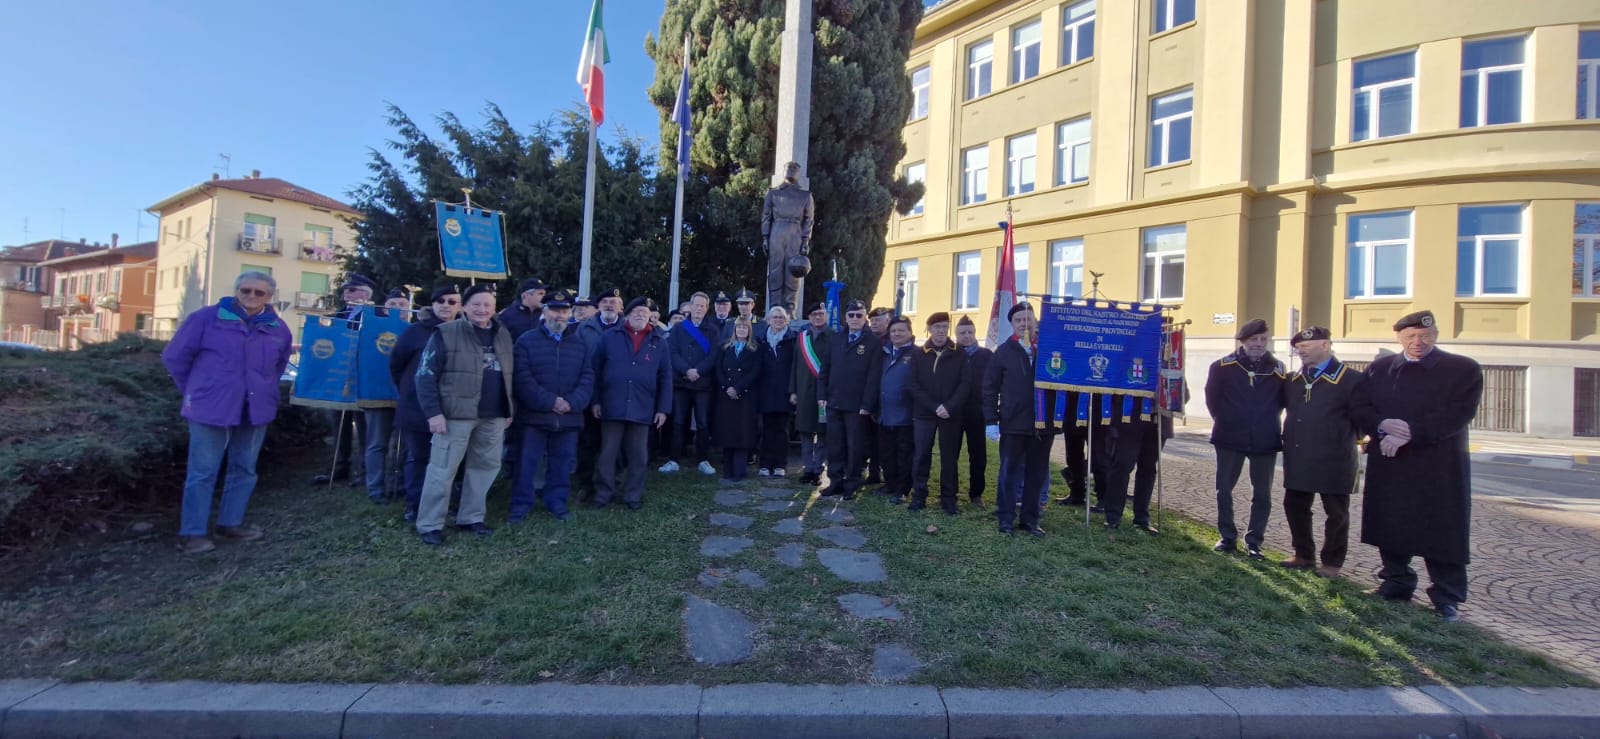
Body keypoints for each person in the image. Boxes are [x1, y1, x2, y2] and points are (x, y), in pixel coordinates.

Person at [1360, 310, 1481, 622]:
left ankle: (1446, 597)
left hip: (1437, 466)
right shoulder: (1380, 369)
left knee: (1441, 530)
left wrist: (1411, 434)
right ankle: (1396, 582)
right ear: (1399, 337)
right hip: (1391, 463)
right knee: (1391, 524)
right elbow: (1360, 407)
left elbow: (1459, 413)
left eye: (1425, 336)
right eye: (1411, 336)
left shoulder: (1462, 369)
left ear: (1436, 336)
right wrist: (1381, 425)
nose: (1418, 342)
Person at [161, 271, 293, 554]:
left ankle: (230, 524)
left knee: (244, 469)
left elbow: (278, 367)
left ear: (270, 296)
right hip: (210, 408)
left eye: (260, 293)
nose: (252, 297)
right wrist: (197, 390)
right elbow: (175, 358)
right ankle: (193, 533)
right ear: (236, 291)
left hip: (255, 408)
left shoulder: (278, 328)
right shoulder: (205, 319)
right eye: (246, 290)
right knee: (202, 472)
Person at [413, 283, 514, 546]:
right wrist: (433, 413)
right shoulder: (445, 333)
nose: (482, 310)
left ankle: (471, 518)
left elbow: (509, 374)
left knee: (484, 468)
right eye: (476, 304)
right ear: (465, 307)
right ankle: (430, 524)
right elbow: (425, 375)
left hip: (493, 415)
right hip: (455, 416)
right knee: (442, 470)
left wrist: (509, 408)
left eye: (487, 305)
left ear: (494, 308)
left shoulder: (503, 334)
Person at [1279, 326, 1371, 578]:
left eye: (1306, 347)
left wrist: (1348, 438)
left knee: (1336, 513)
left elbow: (1362, 418)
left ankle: (1332, 562)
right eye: (1298, 348)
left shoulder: (1351, 379)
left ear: (1325, 345)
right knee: (1295, 505)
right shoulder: (1293, 380)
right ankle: (1303, 554)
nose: (1301, 351)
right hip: (1299, 454)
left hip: (1335, 457)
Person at [1204, 318, 1286, 559]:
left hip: (1265, 439)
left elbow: (1281, 401)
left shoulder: (1278, 369)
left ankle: (1254, 541)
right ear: (1242, 341)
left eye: (1263, 339)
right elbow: (1212, 399)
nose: (1259, 344)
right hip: (1229, 436)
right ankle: (1228, 537)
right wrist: (1228, 419)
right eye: (1254, 340)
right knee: (1224, 490)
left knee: (1262, 494)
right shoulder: (1222, 366)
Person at [510, 289, 593, 522]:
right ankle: (520, 506)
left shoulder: (579, 343)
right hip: (535, 417)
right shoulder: (526, 341)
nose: (560, 315)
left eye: (564, 310)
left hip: (568, 416)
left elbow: (587, 378)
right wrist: (551, 402)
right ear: (544, 312)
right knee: (527, 464)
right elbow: (523, 379)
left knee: (562, 464)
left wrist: (571, 403)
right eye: (555, 310)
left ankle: (556, 502)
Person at [592, 297, 672, 509]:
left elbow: (665, 377)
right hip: (612, 404)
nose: (640, 315)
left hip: (642, 406)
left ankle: (633, 496)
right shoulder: (609, 337)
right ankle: (604, 494)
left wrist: (663, 408)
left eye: (645, 312)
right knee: (608, 453)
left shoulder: (659, 342)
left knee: (638, 455)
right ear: (626, 314)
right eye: (636, 311)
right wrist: (596, 400)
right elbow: (596, 371)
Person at [390, 284, 459, 521]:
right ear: (433, 304)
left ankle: (442, 503)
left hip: (451, 408)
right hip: (417, 407)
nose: (446, 306)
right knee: (418, 457)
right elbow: (397, 365)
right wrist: (410, 391)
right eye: (442, 301)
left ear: (459, 306)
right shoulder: (415, 332)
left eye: (452, 302)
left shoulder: (464, 332)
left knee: (445, 461)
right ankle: (414, 504)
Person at [982, 302, 1049, 537]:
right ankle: (1006, 519)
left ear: (1035, 321)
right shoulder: (1003, 352)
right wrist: (991, 421)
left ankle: (1030, 521)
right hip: (1013, 423)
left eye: (1028, 319)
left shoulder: (1048, 349)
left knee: (1036, 474)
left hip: (1042, 424)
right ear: (1012, 324)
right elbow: (989, 388)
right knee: (1009, 473)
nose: (1024, 323)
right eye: (1019, 320)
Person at [314, 272, 378, 486]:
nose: (346, 294)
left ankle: (365, 471)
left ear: (365, 294)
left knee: (363, 428)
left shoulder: (374, 315)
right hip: (339, 377)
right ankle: (338, 467)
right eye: (345, 290)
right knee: (338, 424)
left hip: (362, 378)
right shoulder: (339, 314)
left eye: (351, 290)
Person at [817, 300, 882, 499]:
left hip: (857, 406)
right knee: (835, 445)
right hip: (834, 402)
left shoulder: (873, 342)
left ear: (865, 318)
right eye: (851, 315)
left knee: (855, 446)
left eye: (859, 315)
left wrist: (867, 404)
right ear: (845, 317)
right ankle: (835, 481)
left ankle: (852, 482)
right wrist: (822, 395)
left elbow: (874, 377)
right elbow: (824, 369)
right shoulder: (836, 339)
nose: (854, 319)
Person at [357, 287, 414, 505]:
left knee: (405, 443)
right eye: (393, 305)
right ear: (384, 308)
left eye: (402, 305)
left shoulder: (413, 329)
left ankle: (398, 483)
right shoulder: (371, 329)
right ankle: (376, 487)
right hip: (377, 392)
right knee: (377, 443)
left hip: (405, 395)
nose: (397, 309)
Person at [907, 312, 967, 515]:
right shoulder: (918, 353)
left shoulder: (959, 352)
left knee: (949, 457)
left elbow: (965, 384)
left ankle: (949, 499)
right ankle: (919, 496)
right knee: (922, 455)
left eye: (944, 326)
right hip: (925, 412)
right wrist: (933, 406)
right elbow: (913, 385)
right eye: (937, 327)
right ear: (929, 329)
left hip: (950, 414)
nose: (941, 331)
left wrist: (949, 406)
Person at [572, 287, 624, 500]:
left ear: (621, 307)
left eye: (613, 301)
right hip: (589, 391)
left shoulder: (628, 328)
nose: (609, 305)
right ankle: (586, 484)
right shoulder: (585, 328)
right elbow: (576, 358)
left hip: (618, 394)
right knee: (588, 442)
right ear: (598, 307)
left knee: (616, 443)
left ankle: (614, 481)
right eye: (605, 302)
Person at [665, 291, 718, 475]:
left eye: (703, 306)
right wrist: (687, 370)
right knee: (678, 422)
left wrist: (698, 371)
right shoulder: (679, 328)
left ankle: (702, 459)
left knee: (703, 423)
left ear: (706, 308)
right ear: (690, 306)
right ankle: (674, 459)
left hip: (702, 383)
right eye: (696, 305)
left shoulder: (712, 330)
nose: (699, 309)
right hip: (681, 382)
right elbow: (673, 352)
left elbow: (713, 355)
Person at [761, 161, 815, 316]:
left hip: (795, 232)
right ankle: (774, 309)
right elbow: (766, 216)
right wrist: (765, 236)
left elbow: (808, 220)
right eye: (788, 168)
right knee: (775, 271)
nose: (791, 171)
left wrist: (805, 240)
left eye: (794, 168)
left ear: (798, 173)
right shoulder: (773, 193)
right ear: (783, 171)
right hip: (776, 232)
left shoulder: (805, 195)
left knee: (793, 271)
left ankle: (790, 310)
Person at [713, 316, 763, 480]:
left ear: (749, 330)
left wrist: (738, 388)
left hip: (745, 397)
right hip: (726, 396)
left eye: (745, 328)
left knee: (742, 434)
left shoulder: (755, 349)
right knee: (727, 433)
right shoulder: (725, 347)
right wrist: (726, 387)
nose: (742, 330)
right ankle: (727, 470)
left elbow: (755, 372)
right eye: (739, 327)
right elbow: (718, 368)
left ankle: (739, 471)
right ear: (734, 330)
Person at [876, 316, 917, 504]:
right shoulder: (884, 352)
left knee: (904, 455)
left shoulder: (916, 354)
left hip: (905, 416)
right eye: (893, 331)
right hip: (885, 414)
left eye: (901, 330)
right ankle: (889, 484)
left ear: (909, 333)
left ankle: (902, 490)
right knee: (887, 453)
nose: (897, 334)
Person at [790, 302, 831, 485]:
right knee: (805, 431)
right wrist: (792, 390)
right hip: (804, 393)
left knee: (823, 433)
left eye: (821, 314)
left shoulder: (834, 337)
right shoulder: (801, 338)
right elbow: (794, 366)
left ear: (826, 316)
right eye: (814, 314)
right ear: (809, 317)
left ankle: (818, 468)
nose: (817, 317)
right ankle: (807, 468)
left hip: (825, 395)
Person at [954, 316, 992, 508]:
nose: (967, 336)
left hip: (977, 412)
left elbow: (993, 383)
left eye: (970, 332)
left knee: (978, 455)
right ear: (956, 334)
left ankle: (976, 494)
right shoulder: (950, 354)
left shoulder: (986, 355)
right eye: (962, 333)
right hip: (954, 412)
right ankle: (950, 491)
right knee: (951, 453)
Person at [755, 306, 797, 476]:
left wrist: (794, 391)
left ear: (786, 319)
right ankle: (765, 464)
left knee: (782, 429)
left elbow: (796, 368)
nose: (778, 320)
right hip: (765, 391)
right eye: (774, 317)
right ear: (768, 319)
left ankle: (780, 465)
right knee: (766, 428)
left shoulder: (793, 339)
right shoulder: (760, 339)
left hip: (784, 392)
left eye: (781, 317)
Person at [861, 306, 894, 487]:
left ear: (888, 322)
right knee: (866, 437)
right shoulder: (865, 339)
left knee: (882, 439)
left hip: (884, 397)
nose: (874, 323)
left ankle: (879, 472)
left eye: (878, 320)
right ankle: (868, 471)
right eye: (872, 320)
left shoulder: (891, 342)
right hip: (866, 395)